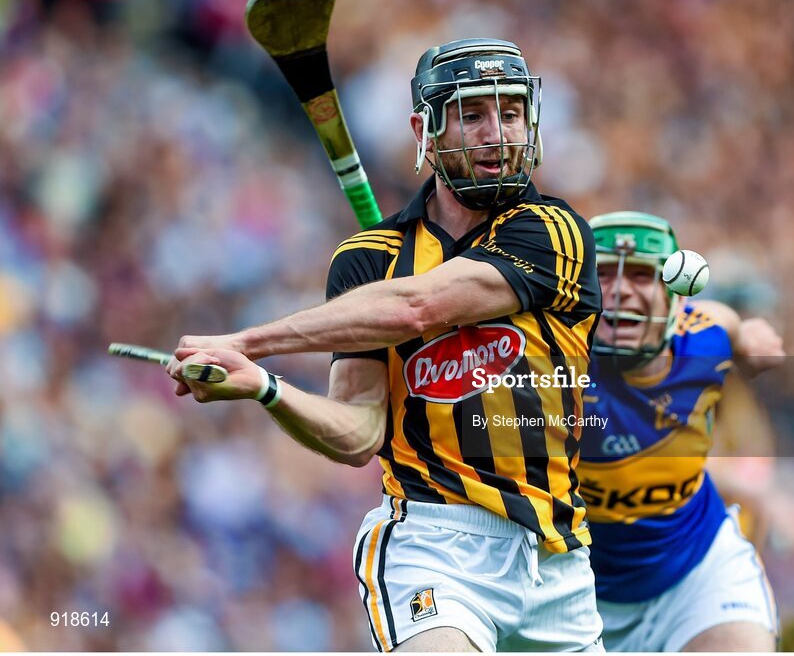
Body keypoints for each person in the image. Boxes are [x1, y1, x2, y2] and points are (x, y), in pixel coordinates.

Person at [165, 38, 604, 652]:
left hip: (558, 557)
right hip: (436, 546)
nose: (496, 134)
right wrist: (267, 388)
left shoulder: (554, 231)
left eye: (508, 114)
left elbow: (417, 306)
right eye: (473, 114)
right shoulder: (369, 261)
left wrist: (249, 342)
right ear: (425, 130)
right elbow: (360, 434)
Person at [576, 211, 785, 652]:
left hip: (695, 573)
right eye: (605, 275)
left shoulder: (706, 336)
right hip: (573, 588)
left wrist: (749, 338)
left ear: (674, 299)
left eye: (640, 275)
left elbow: (731, 325)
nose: (620, 290)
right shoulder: (547, 354)